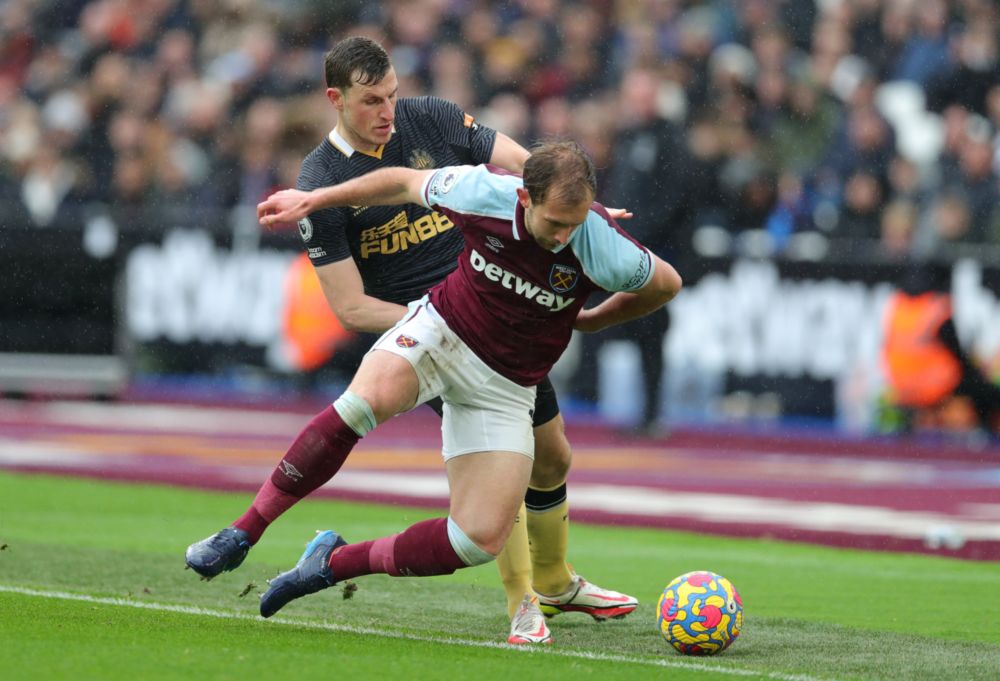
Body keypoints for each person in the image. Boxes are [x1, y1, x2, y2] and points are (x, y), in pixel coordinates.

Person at [185, 36, 636, 645]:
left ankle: (554, 583)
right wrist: (439, 319)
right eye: (372, 100)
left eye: (392, 95)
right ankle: (521, 600)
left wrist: (580, 205)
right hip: (437, 325)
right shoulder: (321, 181)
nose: (388, 112)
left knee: (553, 456)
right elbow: (349, 306)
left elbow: (526, 167)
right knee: (487, 464)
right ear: (336, 100)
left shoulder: (432, 118)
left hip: (503, 310)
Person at [249, 140, 681, 628]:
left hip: (512, 376)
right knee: (361, 406)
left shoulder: (600, 244)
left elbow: (665, 283)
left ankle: (334, 562)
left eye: (574, 223)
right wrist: (315, 199)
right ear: (525, 199)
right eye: (554, 223)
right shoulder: (483, 190)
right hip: (446, 330)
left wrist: (596, 319)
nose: (564, 237)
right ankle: (525, 601)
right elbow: (402, 181)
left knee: (507, 506)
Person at [883, 264, 1000, 435]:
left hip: (900, 386)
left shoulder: (898, 305)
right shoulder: (935, 308)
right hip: (934, 386)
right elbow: (957, 354)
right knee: (985, 392)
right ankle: (985, 434)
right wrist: (978, 374)